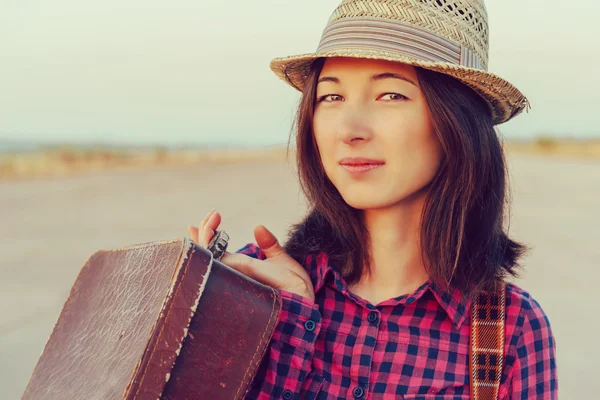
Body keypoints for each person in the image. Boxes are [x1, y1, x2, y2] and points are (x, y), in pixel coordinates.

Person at [188, 0, 557, 398]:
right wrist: (286, 315)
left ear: (457, 122)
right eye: (331, 97)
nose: (349, 130)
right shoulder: (252, 285)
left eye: (391, 95)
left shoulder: (508, 332)